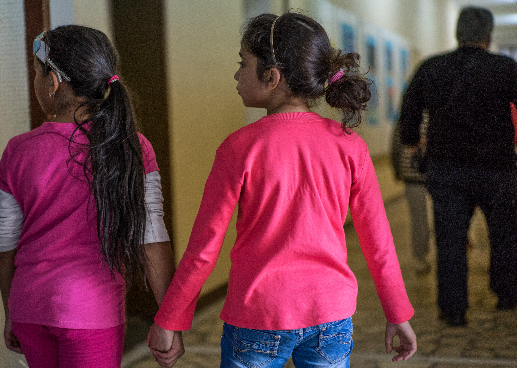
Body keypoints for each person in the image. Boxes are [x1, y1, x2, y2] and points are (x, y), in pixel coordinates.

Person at [147, 13, 417, 367]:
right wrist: (398, 312)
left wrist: (169, 319)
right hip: (330, 316)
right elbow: (378, 242)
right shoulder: (350, 147)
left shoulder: (239, 147)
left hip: (257, 317)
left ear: (272, 77)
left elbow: (204, 249)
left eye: (243, 63)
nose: (237, 74)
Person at [0, 25, 184, 368]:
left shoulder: (18, 150)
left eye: (36, 73)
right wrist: (169, 319)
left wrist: (11, 310)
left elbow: (4, 240)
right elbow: (151, 237)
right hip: (92, 311)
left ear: (52, 83)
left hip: (29, 307)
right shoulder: (134, 148)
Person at [399, 6, 517, 328]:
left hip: (447, 170)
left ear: (457, 33)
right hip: (499, 169)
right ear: (489, 36)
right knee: (505, 235)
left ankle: (453, 310)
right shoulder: (506, 68)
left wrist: (414, 143)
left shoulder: (432, 68)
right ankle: (507, 294)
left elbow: (408, 115)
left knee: (450, 241)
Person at [390, 119, 432, 275]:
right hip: (433, 173)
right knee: (439, 216)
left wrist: (397, 170)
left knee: (418, 219)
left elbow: (395, 146)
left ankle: (421, 259)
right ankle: (427, 257)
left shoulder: (405, 118)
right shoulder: (436, 114)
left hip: (411, 174)